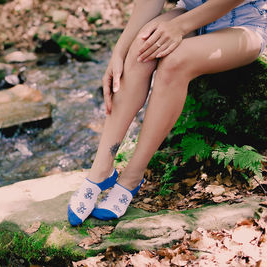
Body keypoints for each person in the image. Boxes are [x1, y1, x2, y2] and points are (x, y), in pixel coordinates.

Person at [68, 0, 267, 226]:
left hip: (244, 23)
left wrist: (180, 26)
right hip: (189, 12)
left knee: (176, 61)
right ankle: (101, 170)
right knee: (140, 48)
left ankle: (133, 176)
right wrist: (119, 51)